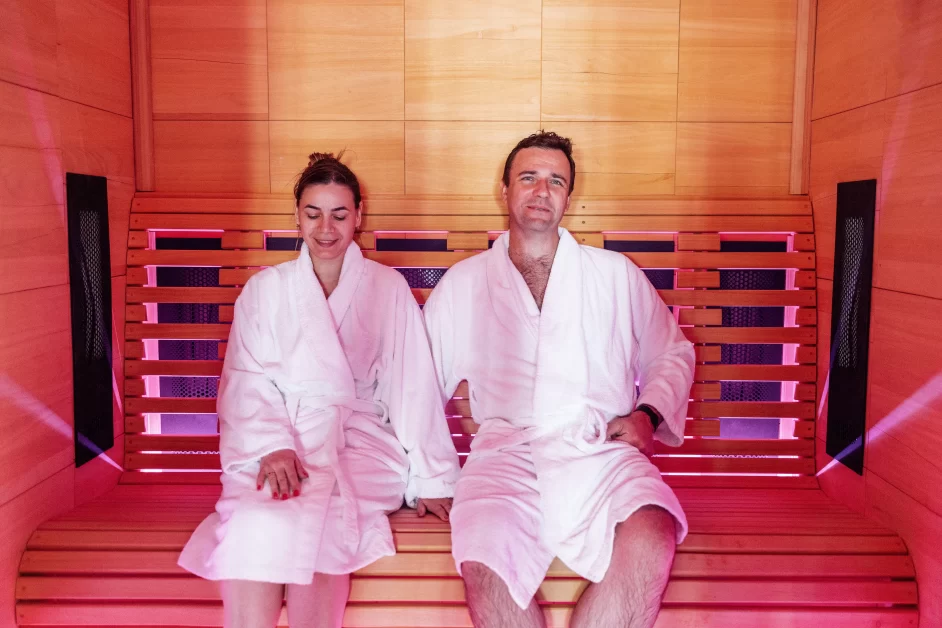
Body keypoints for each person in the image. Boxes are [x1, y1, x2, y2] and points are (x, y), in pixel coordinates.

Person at [423, 132, 695, 628]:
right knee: (483, 561)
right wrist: (426, 476)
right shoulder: (464, 283)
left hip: (597, 448)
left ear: (569, 197)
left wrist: (647, 414)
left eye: (556, 181)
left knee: (652, 531)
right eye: (528, 177)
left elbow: (672, 353)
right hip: (504, 455)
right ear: (504, 190)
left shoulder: (614, 275)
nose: (541, 190)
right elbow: (417, 385)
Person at [179, 152, 460, 628]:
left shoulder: (386, 287)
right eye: (313, 214)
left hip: (363, 442)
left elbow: (412, 385)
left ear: (358, 217)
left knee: (330, 514)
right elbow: (245, 379)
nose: (326, 228)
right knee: (258, 517)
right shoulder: (265, 290)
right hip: (279, 438)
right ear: (296, 216)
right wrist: (272, 446)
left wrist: (432, 478)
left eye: (339, 214)